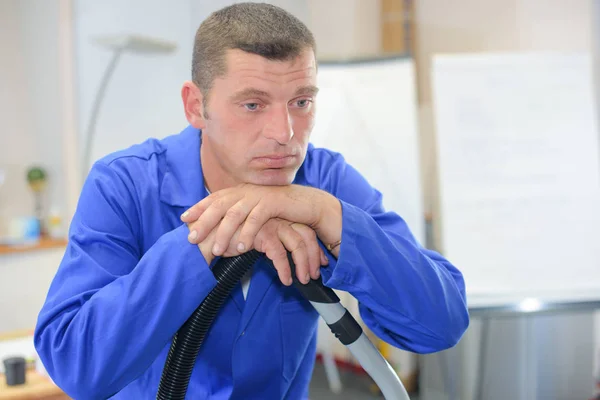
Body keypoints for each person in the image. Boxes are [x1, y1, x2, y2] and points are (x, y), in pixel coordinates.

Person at [34, 3, 469, 399]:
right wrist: (208, 236)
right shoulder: (125, 185)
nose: (284, 133)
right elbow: (78, 368)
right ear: (195, 105)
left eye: (301, 102)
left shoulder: (325, 181)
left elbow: (441, 322)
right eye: (253, 104)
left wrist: (326, 216)